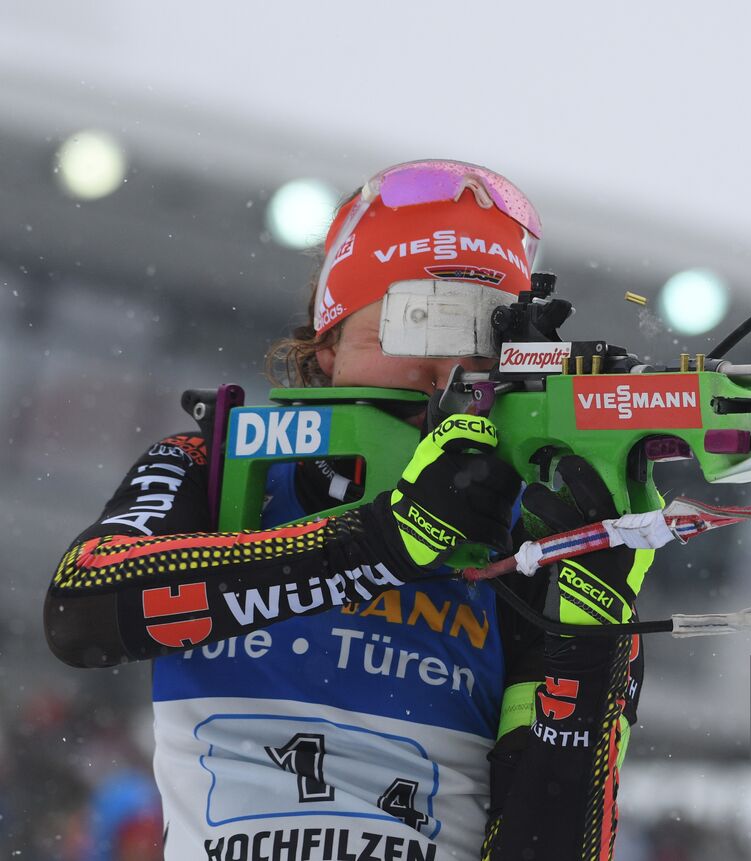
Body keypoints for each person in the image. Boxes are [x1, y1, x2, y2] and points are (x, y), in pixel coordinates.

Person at [44, 159, 650, 861]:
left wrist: (593, 633)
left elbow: (547, 846)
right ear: (326, 346)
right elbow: (80, 609)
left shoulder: (534, 542)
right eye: (415, 322)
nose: (447, 370)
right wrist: (382, 541)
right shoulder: (218, 464)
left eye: (482, 339)